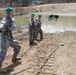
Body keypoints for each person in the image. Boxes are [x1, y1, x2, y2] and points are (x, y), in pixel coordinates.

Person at [0, 7, 21, 72]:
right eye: (8, 13)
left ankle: (14, 58)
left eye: (10, 13)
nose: (9, 14)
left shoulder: (12, 19)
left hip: (10, 37)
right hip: (4, 38)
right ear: (7, 13)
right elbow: (2, 24)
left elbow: (14, 25)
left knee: (18, 46)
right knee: (3, 52)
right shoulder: (4, 19)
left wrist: (9, 28)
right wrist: (1, 28)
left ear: (12, 13)